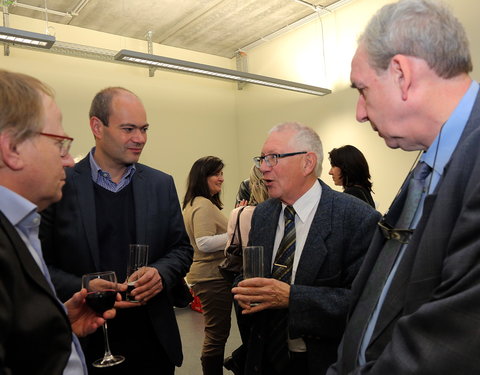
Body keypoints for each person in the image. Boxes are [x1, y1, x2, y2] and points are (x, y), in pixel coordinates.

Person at [328, 0, 480, 373]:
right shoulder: (429, 164)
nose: (360, 113)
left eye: (362, 90)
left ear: (401, 74)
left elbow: (448, 343)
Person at [40, 87, 193, 375]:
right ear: (97, 126)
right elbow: (39, 265)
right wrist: (83, 287)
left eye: (144, 129)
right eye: (128, 129)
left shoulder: (161, 185)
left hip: (153, 344)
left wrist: (161, 273)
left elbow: (182, 249)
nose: (140, 138)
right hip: (86, 343)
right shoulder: (60, 185)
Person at [232, 122, 381, 375]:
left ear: (307, 163)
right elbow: (254, 275)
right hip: (264, 357)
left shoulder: (357, 218)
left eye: (273, 158)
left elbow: (367, 304)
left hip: (320, 363)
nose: (263, 168)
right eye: (261, 159)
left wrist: (292, 298)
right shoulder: (263, 215)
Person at [0, 69, 115, 374]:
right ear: (12, 149)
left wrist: (56, 324)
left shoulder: (21, 226)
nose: (68, 160)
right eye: (59, 144)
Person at [182, 156, 231, 375]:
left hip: (208, 276)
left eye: (221, 173)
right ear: (203, 177)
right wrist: (235, 235)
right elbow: (204, 242)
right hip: (211, 277)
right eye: (216, 174)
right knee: (216, 333)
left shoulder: (196, 203)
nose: (221, 179)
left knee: (217, 331)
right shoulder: (202, 204)